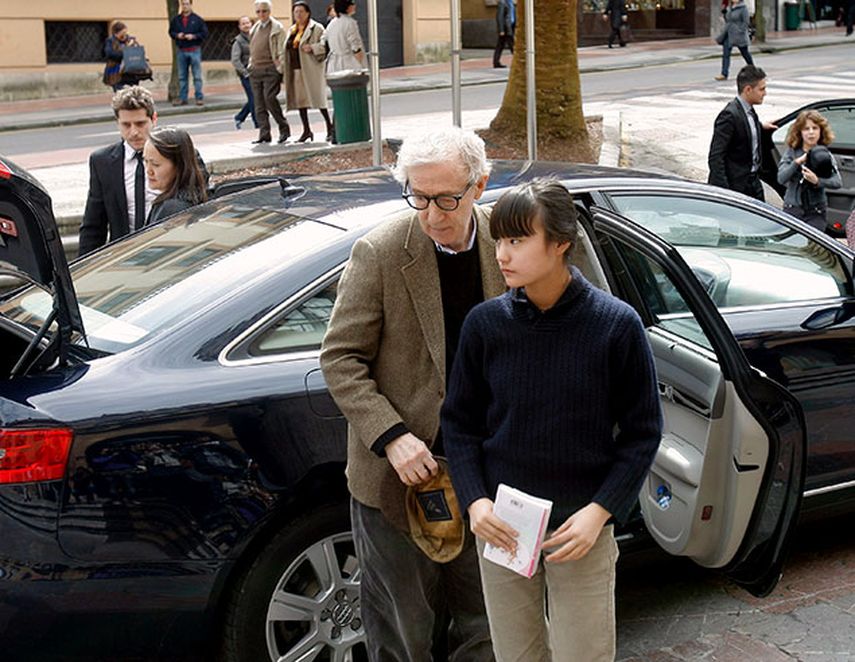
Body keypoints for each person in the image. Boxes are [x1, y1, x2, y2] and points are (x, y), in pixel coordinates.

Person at [442, 178, 662, 662]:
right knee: (516, 656)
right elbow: (458, 424)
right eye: (499, 239)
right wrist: (475, 501)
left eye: (518, 240)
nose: (502, 253)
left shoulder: (614, 324)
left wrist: (601, 511)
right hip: (504, 523)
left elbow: (644, 433)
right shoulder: (485, 325)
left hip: (580, 527)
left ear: (561, 243)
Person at [320, 127, 500, 661]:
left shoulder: (508, 241)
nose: (433, 214)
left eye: (447, 199)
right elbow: (339, 358)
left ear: (480, 186)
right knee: (403, 631)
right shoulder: (378, 251)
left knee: (487, 624)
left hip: (485, 476)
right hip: (396, 481)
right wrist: (392, 436)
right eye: (418, 198)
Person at [78, 86, 159, 256]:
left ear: (154, 119)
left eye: (140, 123)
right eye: (126, 125)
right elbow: (94, 225)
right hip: (124, 257)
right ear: (117, 123)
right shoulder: (102, 162)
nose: (134, 132)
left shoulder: (176, 154)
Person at [707, 65, 776, 202]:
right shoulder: (729, 115)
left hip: (753, 182)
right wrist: (725, 192)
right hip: (736, 186)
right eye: (761, 89)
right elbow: (716, 157)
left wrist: (760, 127)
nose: (765, 93)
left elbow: (744, 131)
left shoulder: (749, 112)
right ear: (748, 90)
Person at [777, 110, 842, 233]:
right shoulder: (792, 152)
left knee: (813, 245)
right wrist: (796, 163)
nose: (811, 132)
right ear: (800, 132)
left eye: (815, 128)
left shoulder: (824, 154)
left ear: (821, 131)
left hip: (816, 211)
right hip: (793, 209)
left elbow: (837, 182)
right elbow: (781, 178)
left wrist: (817, 181)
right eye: (806, 129)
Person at [284, 1, 335, 143]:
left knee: (318, 99)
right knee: (301, 101)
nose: (298, 15)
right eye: (296, 12)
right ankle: (306, 130)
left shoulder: (316, 28)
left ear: (308, 13)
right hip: (296, 68)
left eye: (301, 11)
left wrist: (313, 47)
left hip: (311, 68)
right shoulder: (292, 30)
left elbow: (325, 45)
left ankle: (329, 127)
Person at [143, 127, 208, 225]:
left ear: (179, 166)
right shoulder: (196, 194)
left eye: (155, 164)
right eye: (145, 161)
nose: (148, 171)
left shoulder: (173, 209)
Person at [248, 0, 290, 144]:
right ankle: (264, 133)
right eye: (258, 11)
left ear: (269, 11)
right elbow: (252, 48)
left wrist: (280, 66)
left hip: (271, 69)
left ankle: (284, 128)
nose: (261, 14)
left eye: (264, 11)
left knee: (270, 99)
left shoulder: (277, 27)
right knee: (258, 104)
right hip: (255, 70)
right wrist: (250, 65)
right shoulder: (255, 28)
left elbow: (282, 50)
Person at [169, 0, 208, 106]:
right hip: (181, 50)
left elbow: (204, 33)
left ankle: (199, 97)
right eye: (183, 4)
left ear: (191, 5)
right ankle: (183, 98)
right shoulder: (176, 20)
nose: (185, 6)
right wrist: (177, 35)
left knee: (197, 76)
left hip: (194, 49)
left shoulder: (198, 19)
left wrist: (194, 36)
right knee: (182, 77)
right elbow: (171, 32)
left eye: (187, 4)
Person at [715, 0, 753, 81]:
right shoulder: (730, 7)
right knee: (726, 54)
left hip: (738, 35)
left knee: (745, 53)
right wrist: (724, 12)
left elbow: (746, 22)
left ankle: (753, 69)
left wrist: (740, 31)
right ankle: (724, 74)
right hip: (728, 33)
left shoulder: (743, 8)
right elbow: (727, 19)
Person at [231, 15, 258, 131]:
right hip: (246, 75)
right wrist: (245, 72)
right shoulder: (238, 41)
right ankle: (258, 124)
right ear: (240, 27)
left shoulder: (256, 36)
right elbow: (235, 60)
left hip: (257, 72)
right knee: (254, 98)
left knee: (257, 98)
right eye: (243, 23)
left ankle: (239, 117)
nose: (246, 25)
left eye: (248, 23)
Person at [325, 0, 364, 73]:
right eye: (352, 4)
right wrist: (361, 64)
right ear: (347, 7)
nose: (355, 6)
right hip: (349, 64)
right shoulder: (350, 23)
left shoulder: (331, 23)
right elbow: (356, 47)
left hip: (333, 65)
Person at [103, 21, 143, 92]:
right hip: (116, 72)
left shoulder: (131, 40)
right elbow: (109, 54)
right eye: (122, 34)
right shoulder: (110, 41)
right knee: (120, 94)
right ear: (116, 34)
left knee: (133, 94)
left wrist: (133, 47)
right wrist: (126, 51)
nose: (124, 36)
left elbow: (138, 53)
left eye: (125, 33)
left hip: (131, 71)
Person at [493, 0, 515, 68]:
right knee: (512, 45)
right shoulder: (502, 3)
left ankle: (496, 62)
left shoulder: (511, 3)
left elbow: (512, 16)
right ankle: (517, 62)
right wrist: (501, 30)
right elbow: (500, 17)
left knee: (500, 46)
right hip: (506, 28)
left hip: (510, 27)